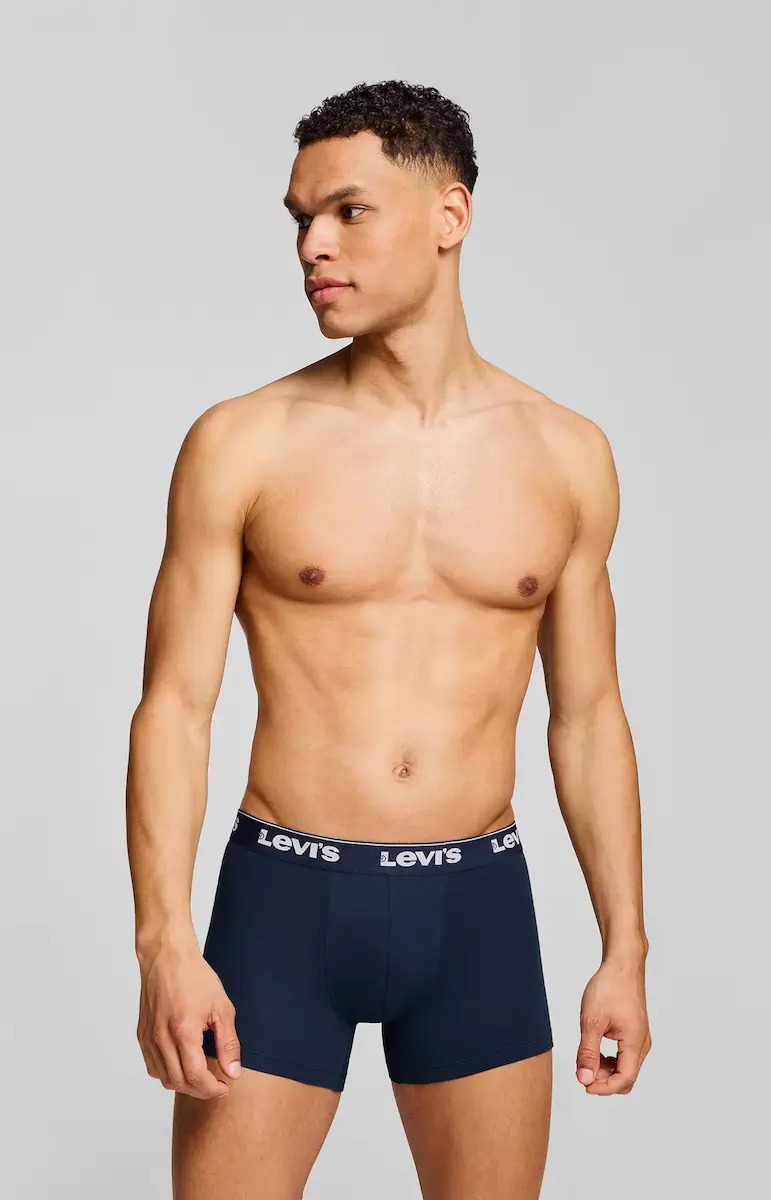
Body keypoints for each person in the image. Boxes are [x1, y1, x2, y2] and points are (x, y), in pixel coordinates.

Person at [126, 79, 651, 1200]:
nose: (312, 245)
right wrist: (164, 941)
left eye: (348, 211)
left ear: (450, 215)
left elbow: (589, 715)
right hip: (283, 905)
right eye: (300, 218)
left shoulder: (567, 456)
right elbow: (174, 707)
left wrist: (625, 946)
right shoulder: (243, 443)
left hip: (477, 911)